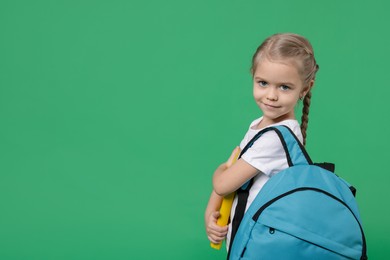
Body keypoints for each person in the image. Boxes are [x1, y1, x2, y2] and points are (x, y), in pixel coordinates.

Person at [204, 33, 320, 250]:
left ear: (305, 88)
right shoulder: (261, 126)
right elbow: (232, 179)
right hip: (250, 234)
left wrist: (222, 169)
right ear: (253, 76)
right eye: (263, 83)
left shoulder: (275, 138)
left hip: (261, 243)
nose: (271, 95)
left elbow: (224, 183)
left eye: (284, 87)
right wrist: (211, 214)